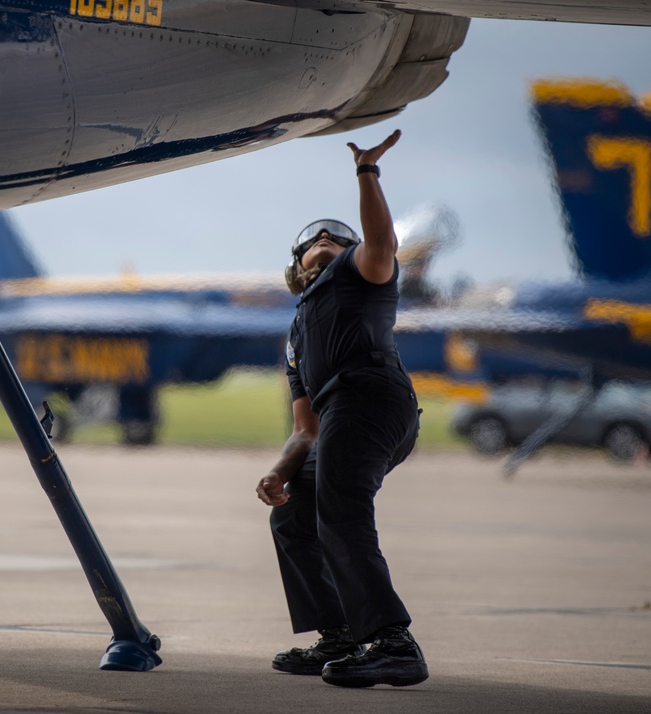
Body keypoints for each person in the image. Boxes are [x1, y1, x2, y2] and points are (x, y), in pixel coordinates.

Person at [255, 129, 427, 688]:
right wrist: (281, 471)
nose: (325, 237)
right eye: (313, 238)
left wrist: (367, 173)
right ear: (298, 265)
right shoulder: (296, 335)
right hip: (338, 419)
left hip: (371, 401)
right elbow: (305, 426)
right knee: (295, 510)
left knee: (341, 515)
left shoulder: (361, 277)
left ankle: (393, 644)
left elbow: (381, 244)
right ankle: (342, 636)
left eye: (337, 236)